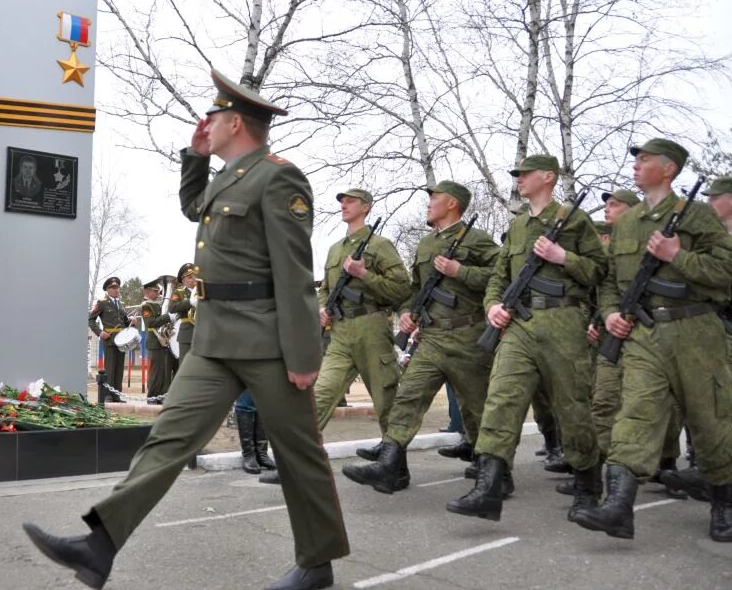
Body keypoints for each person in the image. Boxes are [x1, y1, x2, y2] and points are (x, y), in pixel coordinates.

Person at [23, 70, 349, 590]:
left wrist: (304, 353)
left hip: (267, 341)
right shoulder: (227, 176)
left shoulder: (278, 177)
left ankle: (317, 562)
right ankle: (100, 543)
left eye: (214, 117)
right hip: (216, 338)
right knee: (168, 438)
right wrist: (195, 157)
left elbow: (293, 271)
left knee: (298, 452)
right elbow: (193, 206)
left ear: (236, 122)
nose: (206, 122)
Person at [572, 139, 732, 542]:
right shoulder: (626, 223)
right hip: (643, 335)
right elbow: (608, 281)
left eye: (645, 160)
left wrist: (678, 255)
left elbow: (726, 272)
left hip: (695, 331)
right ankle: (619, 506)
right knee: (635, 414)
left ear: (669, 169)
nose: (636, 166)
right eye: (636, 159)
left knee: (710, 420)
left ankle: (725, 504)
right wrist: (610, 314)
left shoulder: (697, 215)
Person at [447, 154, 606, 523]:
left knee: (572, 406)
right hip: (518, 324)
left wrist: (563, 256)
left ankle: (587, 487)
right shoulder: (518, 226)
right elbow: (500, 276)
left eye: (525, 174)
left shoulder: (573, 219)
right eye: (517, 174)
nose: (518, 179)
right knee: (501, 399)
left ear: (548, 177)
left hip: (563, 320)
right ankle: (488, 487)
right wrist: (492, 307)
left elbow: (600, 271)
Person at [342, 181, 500, 494]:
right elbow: (415, 288)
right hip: (432, 337)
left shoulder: (477, 240)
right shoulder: (427, 245)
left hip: (468, 336)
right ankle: (389, 466)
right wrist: (406, 311)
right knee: (408, 395)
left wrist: (461, 271)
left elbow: (501, 276)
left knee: (478, 407)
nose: (429, 204)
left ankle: (496, 472)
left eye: (435, 198)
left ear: (452, 203)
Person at [258, 187, 409, 486]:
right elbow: (325, 289)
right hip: (340, 333)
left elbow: (402, 289)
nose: (343, 205)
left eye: (350, 201)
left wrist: (365, 275)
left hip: (371, 328)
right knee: (319, 397)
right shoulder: (335, 249)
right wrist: (323, 307)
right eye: (341, 201)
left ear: (365, 207)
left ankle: (396, 469)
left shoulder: (380, 245)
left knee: (386, 400)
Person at [656, 177, 732, 507]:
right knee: (705, 404)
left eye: (716, 198)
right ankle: (704, 468)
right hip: (713, 328)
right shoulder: (713, 239)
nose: (710, 204)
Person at [88, 277, 130, 402]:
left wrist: (131, 321)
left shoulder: (120, 304)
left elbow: (124, 322)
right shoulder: (102, 302)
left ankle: (117, 395)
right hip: (110, 340)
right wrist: (100, 332)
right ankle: (107, 395)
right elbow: (91, 320)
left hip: (121, 340)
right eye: (113, 288)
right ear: (107, 290)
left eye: (117, 288)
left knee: (119, 369)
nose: (116, 290)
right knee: (110, 369)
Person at [139, 278, 175, 401]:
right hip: (154, 341)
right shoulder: (146, 306)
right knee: (155, 372)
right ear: (148, 291)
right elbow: (151, 323)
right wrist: (167, 317)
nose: (159, 294)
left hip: (163, 341)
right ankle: (152, 396)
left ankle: (161, 396)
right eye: (156, 291)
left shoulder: (158, 304)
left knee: (164, 372)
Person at [168, 262, 197, 367]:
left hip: (204, 333)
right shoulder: (179, 293)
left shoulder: (203, 291)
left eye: (195, 275)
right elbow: (172, 307)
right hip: (187, 333)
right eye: (190, 277)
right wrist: (190, 302)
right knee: (186, 366)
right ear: (183, 280)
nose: (193, 278)